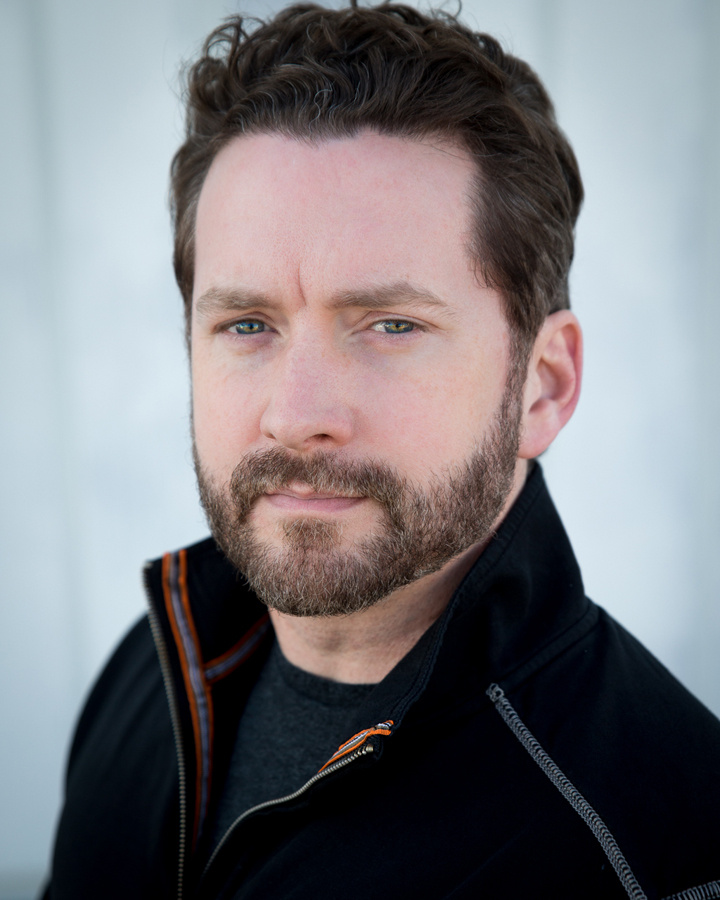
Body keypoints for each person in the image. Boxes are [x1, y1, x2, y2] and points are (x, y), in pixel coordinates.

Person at [41, 3, 720, 899]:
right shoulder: (157, 669)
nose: (296, 416)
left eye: (391, 325)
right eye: (247, 324)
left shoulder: (653, 850)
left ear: (543, 385)